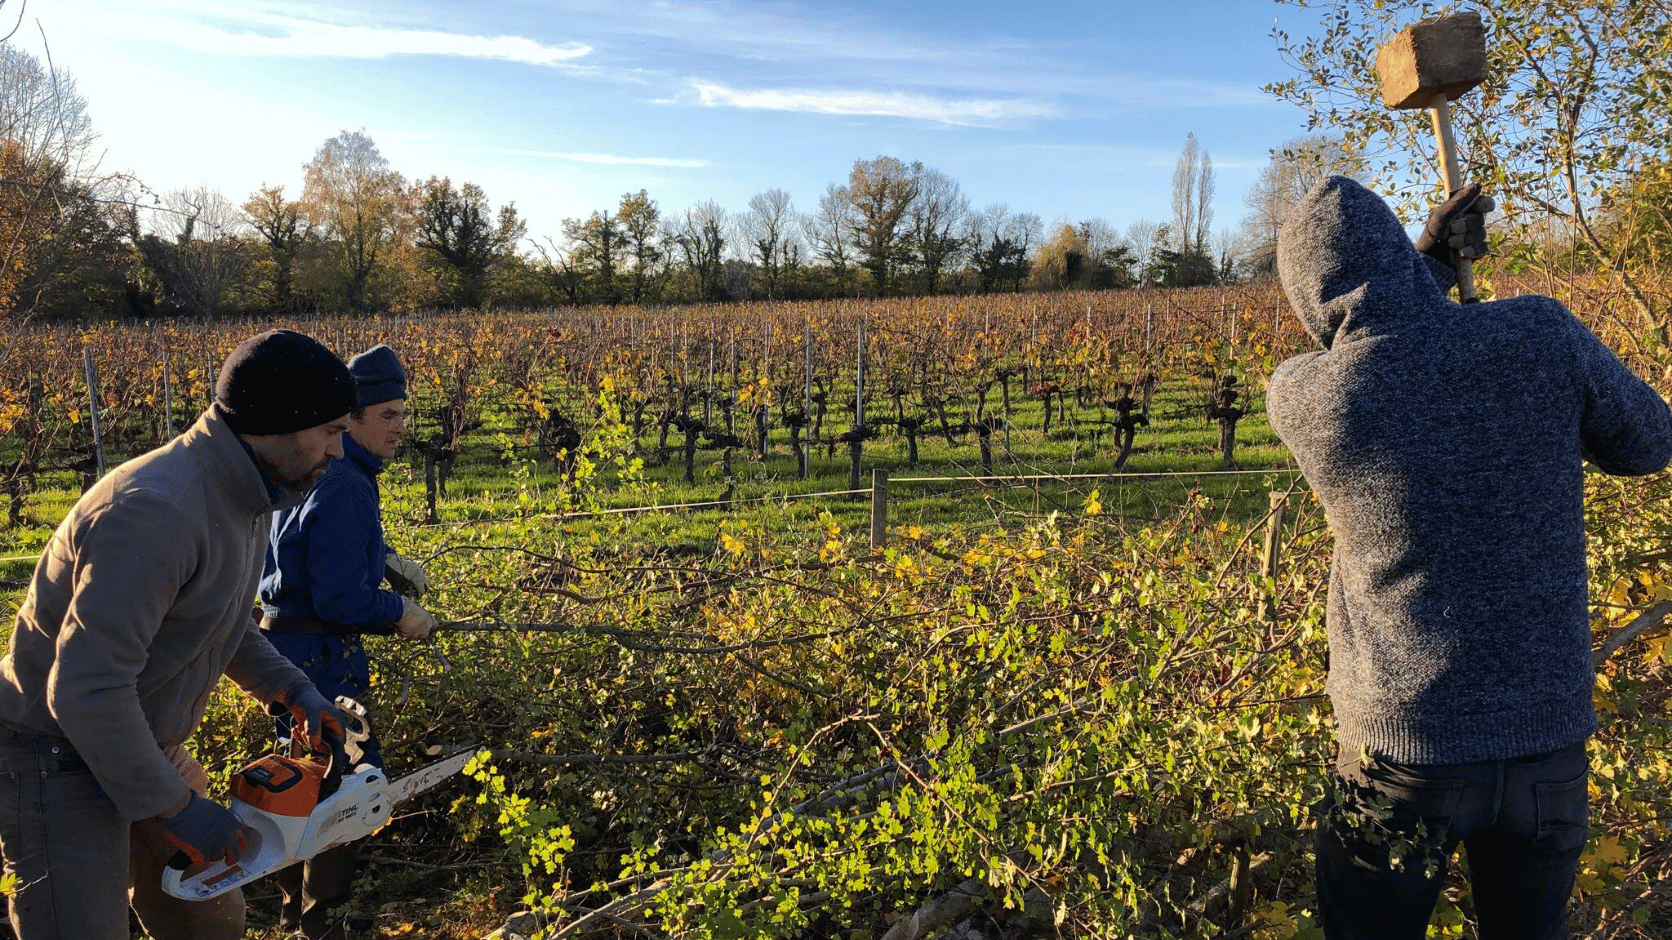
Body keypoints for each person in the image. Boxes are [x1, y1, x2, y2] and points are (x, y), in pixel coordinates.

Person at [1266, 176, 1672, 939]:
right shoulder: (1540, 335)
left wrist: (1429, 265)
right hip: (1545, 743)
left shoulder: (1304, 396)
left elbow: (1366, 339)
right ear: (1390, 249)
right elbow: (1651, 442)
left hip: (1401, 754)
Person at [0, 329, 356, 940]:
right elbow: (85, 689)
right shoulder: (156, 513)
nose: (339, 450)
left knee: (209, 919)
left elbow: (222, 624)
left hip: (140, 741)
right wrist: (178, 807)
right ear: (272, 423)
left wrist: (292, 689)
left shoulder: (249, 495)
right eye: (328, 431)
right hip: (53, 756)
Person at [259, 343, 438, 939]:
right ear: (352, 419)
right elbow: (338, 597)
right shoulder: (349, 485)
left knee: (298, 781)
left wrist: (382, 559)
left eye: (403, 414)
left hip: (280, 651)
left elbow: (303, 548)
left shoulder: (318, 468)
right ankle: (322, 925)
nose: (400, 428)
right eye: (386, 415)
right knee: (346, 792)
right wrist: (398, 611)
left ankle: (295, 914)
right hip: (321, 657)